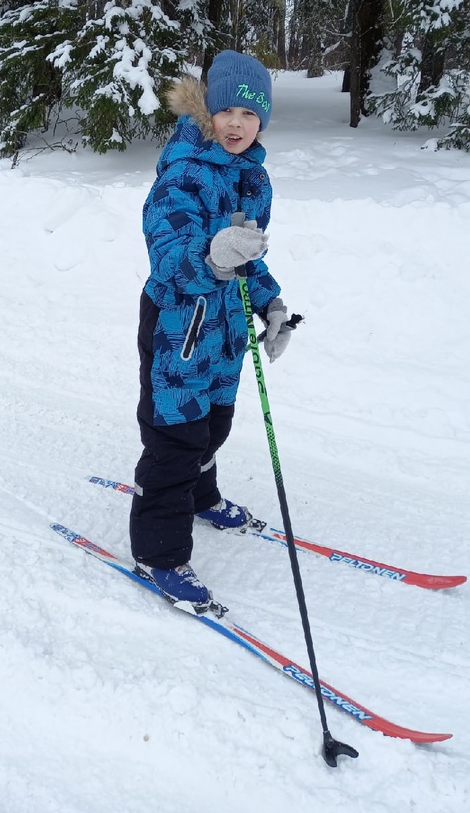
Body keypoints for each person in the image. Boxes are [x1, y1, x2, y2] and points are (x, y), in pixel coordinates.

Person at [129, 49, 293, 611]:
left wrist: (269, 302)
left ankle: (202, 497)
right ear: (208, 112)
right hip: (179, 325)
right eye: (227, 112)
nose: (237, 125)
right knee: (175, 438)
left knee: (213, 423)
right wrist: (214, 258)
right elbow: (169, 257)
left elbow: (246, 255)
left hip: (223, 328)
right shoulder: (183, 174)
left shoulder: (254, 178)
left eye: (250, 117)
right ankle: (159, 552)